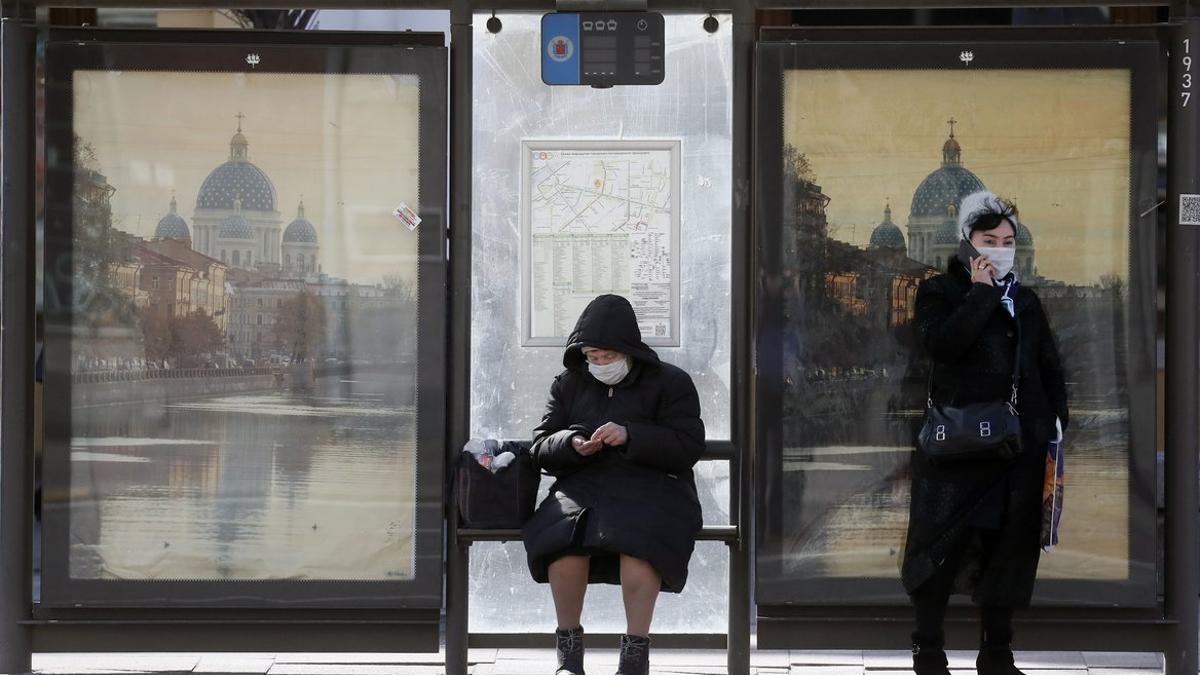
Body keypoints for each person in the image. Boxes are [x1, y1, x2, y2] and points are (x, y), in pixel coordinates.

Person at [901, 191, 1069, 675]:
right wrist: (981, 294)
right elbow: (943, 345)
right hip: (957, 450)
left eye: (1008, 240)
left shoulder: (1027, 299)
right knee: (939, 551)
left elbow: (1048, 366)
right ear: (967, 243)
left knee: (1008, 552)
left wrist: (1056, 420)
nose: (999, 248)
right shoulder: (939, 290)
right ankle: (928, 650)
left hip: (1016, 452)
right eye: (988, 239)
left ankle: (997, 653)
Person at [522, 294, 705, 675]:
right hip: (583, 488)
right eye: (592, 356)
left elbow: (688, 444)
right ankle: (569, 656)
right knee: (562, 546)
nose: (600, 364)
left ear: (628, 351)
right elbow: (541, 445)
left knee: (640, 545)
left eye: (607, 356)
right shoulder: (569, 383)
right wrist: (571, 443)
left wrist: (631, 436)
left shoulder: (671, 382)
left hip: (652, 488)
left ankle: (634, 657)